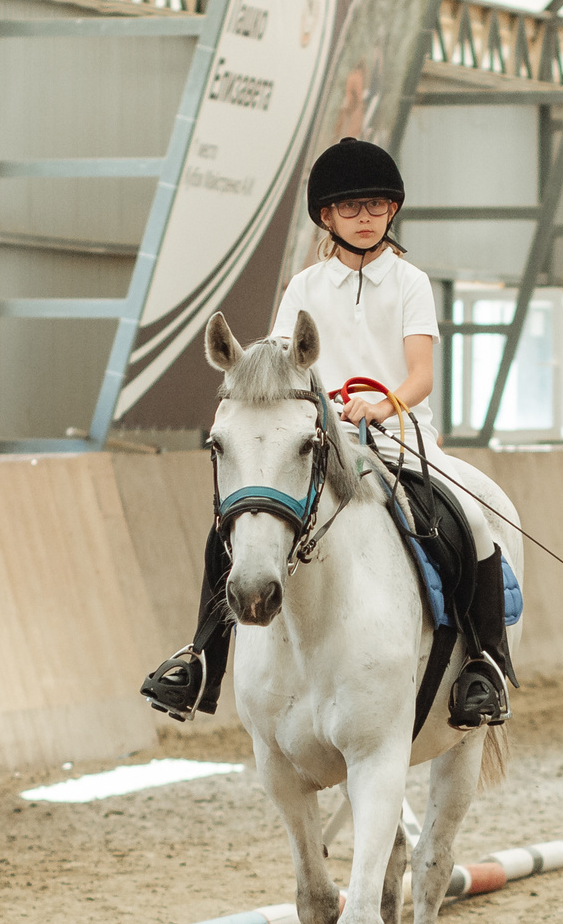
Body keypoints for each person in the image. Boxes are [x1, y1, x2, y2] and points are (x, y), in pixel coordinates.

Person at [142, 137, 517, 727]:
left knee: (471, 516)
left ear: (392, 209)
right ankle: (201, 661)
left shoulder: (410, 282)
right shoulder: (305, 287)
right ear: (327, 216)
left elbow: (421, 375)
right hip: (319, 438)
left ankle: (484, 664)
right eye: (350, 207)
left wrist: (382, 405)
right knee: (233, 525)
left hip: (399, 434)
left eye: (375, 206)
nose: (364, 217)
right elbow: (278, 368)